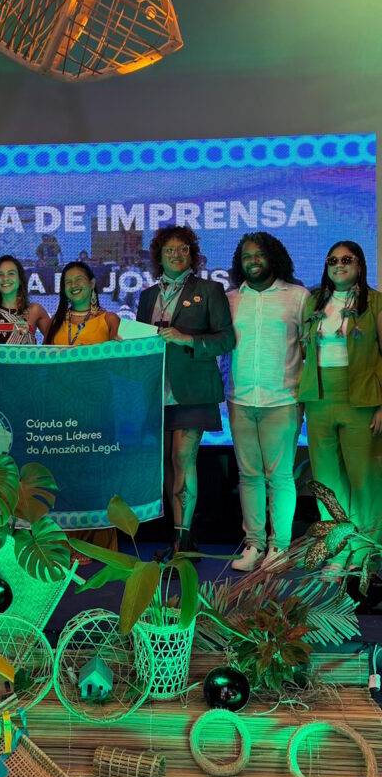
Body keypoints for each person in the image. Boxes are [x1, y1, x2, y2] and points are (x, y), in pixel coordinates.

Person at [136, 225, 235, 558]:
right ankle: (176, 536)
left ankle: (184, 539)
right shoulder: (147, 296)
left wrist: (186, 339)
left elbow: (226, 339)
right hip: (156, 390)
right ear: (159, 256)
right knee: (165, 464)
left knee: (183, 459)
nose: (176, 255)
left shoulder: (209, 290)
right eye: (169, 250)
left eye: (183, 249)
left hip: (192, 391)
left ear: (192, 254)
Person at [226, 233, 309, 572]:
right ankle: (254, 545)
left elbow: (308, 347)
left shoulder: (297, 296)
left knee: (280, 477)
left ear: (273, 257)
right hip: (241, 398)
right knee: (249, 476)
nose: (253, 261)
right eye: (247, 256)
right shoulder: (231, 299)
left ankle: (280, 546)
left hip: (283, 399)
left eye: (260, 255)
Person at [299, 240, 382, 548]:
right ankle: (336, 547)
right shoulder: (314, 301)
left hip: (361, 398)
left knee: (363, 476)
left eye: (347, 259)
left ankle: (365, 549)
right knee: (327, 479)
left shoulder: (375, 302)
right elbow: (304, 349)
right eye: (332, 260)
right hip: (319, 398)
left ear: (360, 264)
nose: (339, 265)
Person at [45, 261, 120, 553]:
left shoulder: (109, 319)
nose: (73, 285)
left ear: (91, 284)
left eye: (79, 280)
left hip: (96, 408)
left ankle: (99, 543)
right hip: (62, 409)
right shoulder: (56, 322)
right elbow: (44, 364)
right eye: (68, 282)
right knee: (66, 475)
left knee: (97, 473)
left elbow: (120, 360)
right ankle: (68, 541)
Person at [0, 256, 50, 344]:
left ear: (20, 279)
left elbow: (54, 342)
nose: (5, 278)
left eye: (11, 273)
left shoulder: (35, 310)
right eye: (0, 274)